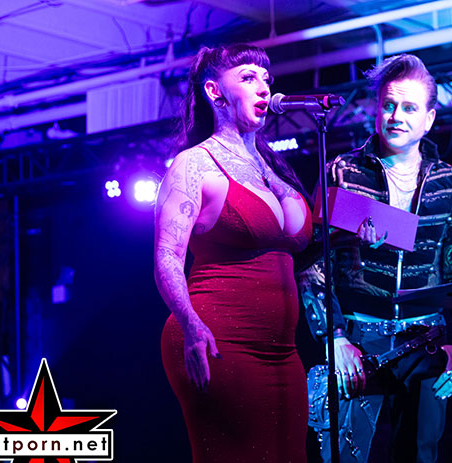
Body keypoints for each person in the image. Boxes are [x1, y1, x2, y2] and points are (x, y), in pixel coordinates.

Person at [300, 54, 452, 463]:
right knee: (342, 455)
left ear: (429, 119)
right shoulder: (342, 171)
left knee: (420, 455)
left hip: (426, 342)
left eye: (410, 108)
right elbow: (312, 265)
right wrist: (334, 337)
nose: (397, 116)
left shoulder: (447, 180)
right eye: (389, 104)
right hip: (357, 340)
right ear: (377, 108)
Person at [154, 44, 312, 463]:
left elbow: (297, 258)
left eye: (266, 79)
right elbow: (168, 255)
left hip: (283, 351)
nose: (263, 88)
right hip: (218, 338)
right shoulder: (194, 165)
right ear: (214, 91)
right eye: (248, 77)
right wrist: (190, 324)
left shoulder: (275, 169)